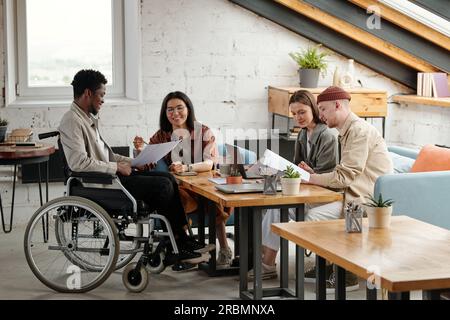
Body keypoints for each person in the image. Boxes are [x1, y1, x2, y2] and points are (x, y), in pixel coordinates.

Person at [59, 69, 207, 265]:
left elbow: (106, 156)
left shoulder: (87, 119)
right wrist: (117, 168)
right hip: (98, 184)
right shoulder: (72, 121)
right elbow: (78, 163)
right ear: (88, 93)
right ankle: (173, 243)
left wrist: (134, 161)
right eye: (101, 95)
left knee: (168, 179)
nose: (103, 100)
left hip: (109, 178)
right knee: (163, 186)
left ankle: (181, 239)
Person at [302, 86, 393, 292]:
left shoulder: (359, 131)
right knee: (306, 206)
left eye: (323, 109)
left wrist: (310, 178)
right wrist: (313, 175)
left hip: (367, 199)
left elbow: (345, 175)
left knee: (313, 217)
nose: (320, 115)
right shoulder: (347, 131)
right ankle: (326, 265)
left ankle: (347, 274)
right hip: (352, 192)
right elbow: (345, 173)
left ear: (337, 105)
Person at [133, 91, 234, 269]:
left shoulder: (203, 131)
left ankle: (224, 249)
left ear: (188, 109)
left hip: (206, 183)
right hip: (181, 186)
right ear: (165, 113)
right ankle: (186, 249)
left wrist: (186, 168)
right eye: (170, 109)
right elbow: (146, 165)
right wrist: (140, 151)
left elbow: (210, 163)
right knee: (174, 198)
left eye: (180, 108)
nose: (175, 113)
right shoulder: (162, 135)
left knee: (213, 201)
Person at [250, 90, 339, 280]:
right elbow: (294, 169)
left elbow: (327, 177)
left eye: (302, 112)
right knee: (274, 207)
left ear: (313, 109)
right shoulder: (302, 135)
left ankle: (264, 263)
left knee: (278, 206)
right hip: (307, 192)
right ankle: (266, 261)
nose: (297, 118)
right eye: (294, 114)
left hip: (325, 196)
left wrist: (309, 173)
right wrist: (270, 174)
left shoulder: (328, 136)